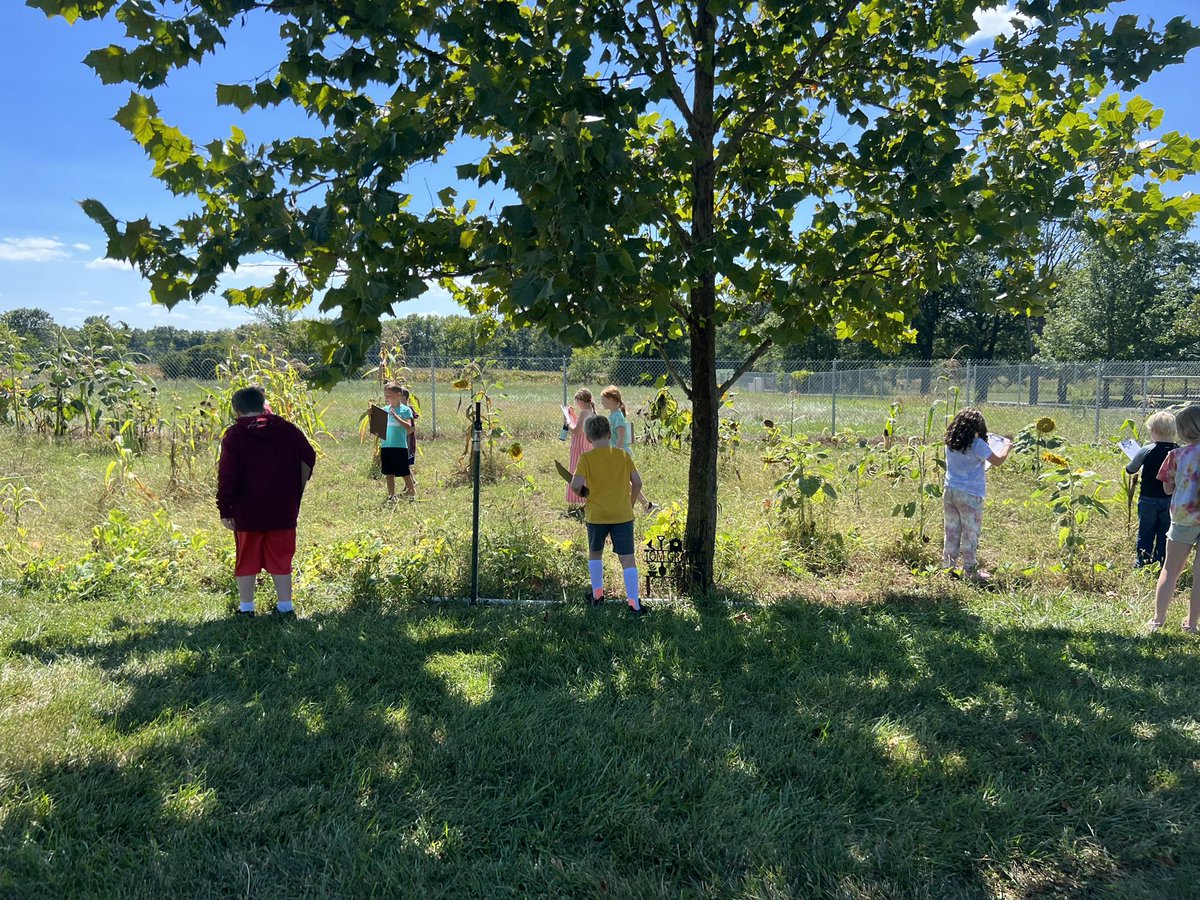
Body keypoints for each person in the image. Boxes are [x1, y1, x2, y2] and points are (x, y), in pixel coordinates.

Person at [217, 385, 317, 618]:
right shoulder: (288, 429)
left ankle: (246, 608)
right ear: (263, 405)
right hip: (283, 508)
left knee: (247, 558)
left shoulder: (234, 434)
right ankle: (285, 606)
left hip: (246, 510)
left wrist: (225, 506)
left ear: (236, 410)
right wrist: (296, 488)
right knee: (281, 557)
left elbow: (227, 473)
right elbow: (308, 457)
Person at [571, 415, 645, 615]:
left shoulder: (586, 458)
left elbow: (576, 485)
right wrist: (629, 502)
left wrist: (583, 493)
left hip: (596, 515)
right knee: (628, 559)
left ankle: (597, 595)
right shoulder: (622, 456)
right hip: (622, 514)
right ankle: (634, 605)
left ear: (587, 437)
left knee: (595, 554)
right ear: (610, 432)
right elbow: (637, 483)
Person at [942, 408, 1010, 580]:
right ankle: (970, 570)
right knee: (970, 532)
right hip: (970, 495)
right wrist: (1007, 447)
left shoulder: (951, 442)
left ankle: (947, 568)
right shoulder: (977, 445)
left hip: (950, 490)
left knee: (951, 531)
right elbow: (998, 461)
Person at [1150, 405, 1200, 633]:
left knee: (1170, 570)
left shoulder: (1176, 455)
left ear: (1182, 430)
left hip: (1183, 518)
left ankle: (1158, 620)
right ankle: (1191, 623)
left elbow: (1167, 488)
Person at [1125, 411, 1177, 568]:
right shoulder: (1178, 451)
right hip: (1170, 499)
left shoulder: (1146, 450)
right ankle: (1161, 561)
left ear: (1153, 430)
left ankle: (1142, 562)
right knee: (1165, 533)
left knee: (1146, 531)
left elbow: (1130, 469)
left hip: (1148, 498)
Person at [600, 385, 659, 515]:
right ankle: (647, 506)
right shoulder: (613, 415)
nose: (602, 403)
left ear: (612, 400)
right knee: (624, 482)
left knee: (623, 482)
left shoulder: (617, 417)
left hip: (620, 453)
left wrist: (615, 453)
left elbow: (621, 435)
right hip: (617, 452)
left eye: (603, 400)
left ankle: (643, 506)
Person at [378, 382, 415, 502]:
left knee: (405, 472)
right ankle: (392, 496)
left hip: (399, 446)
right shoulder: (384, 410)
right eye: (385, 395)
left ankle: (411, 495)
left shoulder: (405, 410)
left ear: (398, 395)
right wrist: (371, 416)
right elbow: (378, 430)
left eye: (389, 395)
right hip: (386, 446)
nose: (387, 398)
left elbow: (408, 426)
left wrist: (396, 417)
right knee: (389, 474)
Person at [566, 388, 596, 512]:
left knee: (576, 472)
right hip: (587, 446)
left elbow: (577, 431)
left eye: (577, 401)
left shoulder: (584, 413)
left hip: (579, 447)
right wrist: (573, 415)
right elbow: (582, 424)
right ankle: (586, 501)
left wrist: (568, 422)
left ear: (581, 401)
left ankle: (580, 498)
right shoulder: (591, 411)